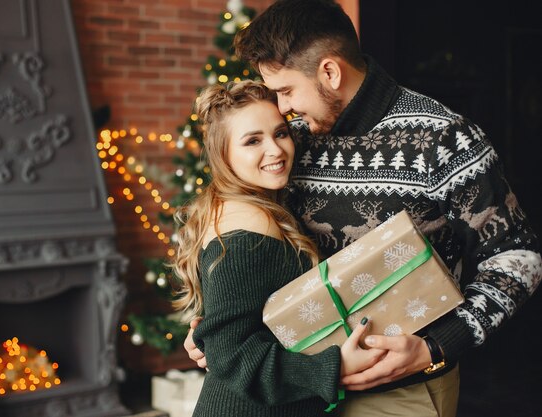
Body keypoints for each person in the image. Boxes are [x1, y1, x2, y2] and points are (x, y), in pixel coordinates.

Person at [184, 1, 542, 416]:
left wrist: (436, 347)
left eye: (286, 91)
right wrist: (222, 329)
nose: (282, 108)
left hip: (400, 391)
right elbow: (251, 245)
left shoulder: (444, 140)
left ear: (330, 73)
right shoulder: (290, 140)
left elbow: (518, 257)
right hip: (305, 388)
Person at [172, 80, 385, 417]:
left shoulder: (245, 205)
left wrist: (208, 333)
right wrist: (335, 367)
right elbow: (231, 355)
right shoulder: (249, 227)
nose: (275, 150)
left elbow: (232, 323)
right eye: (252, 141)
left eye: (280, 133)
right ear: (223, 153)